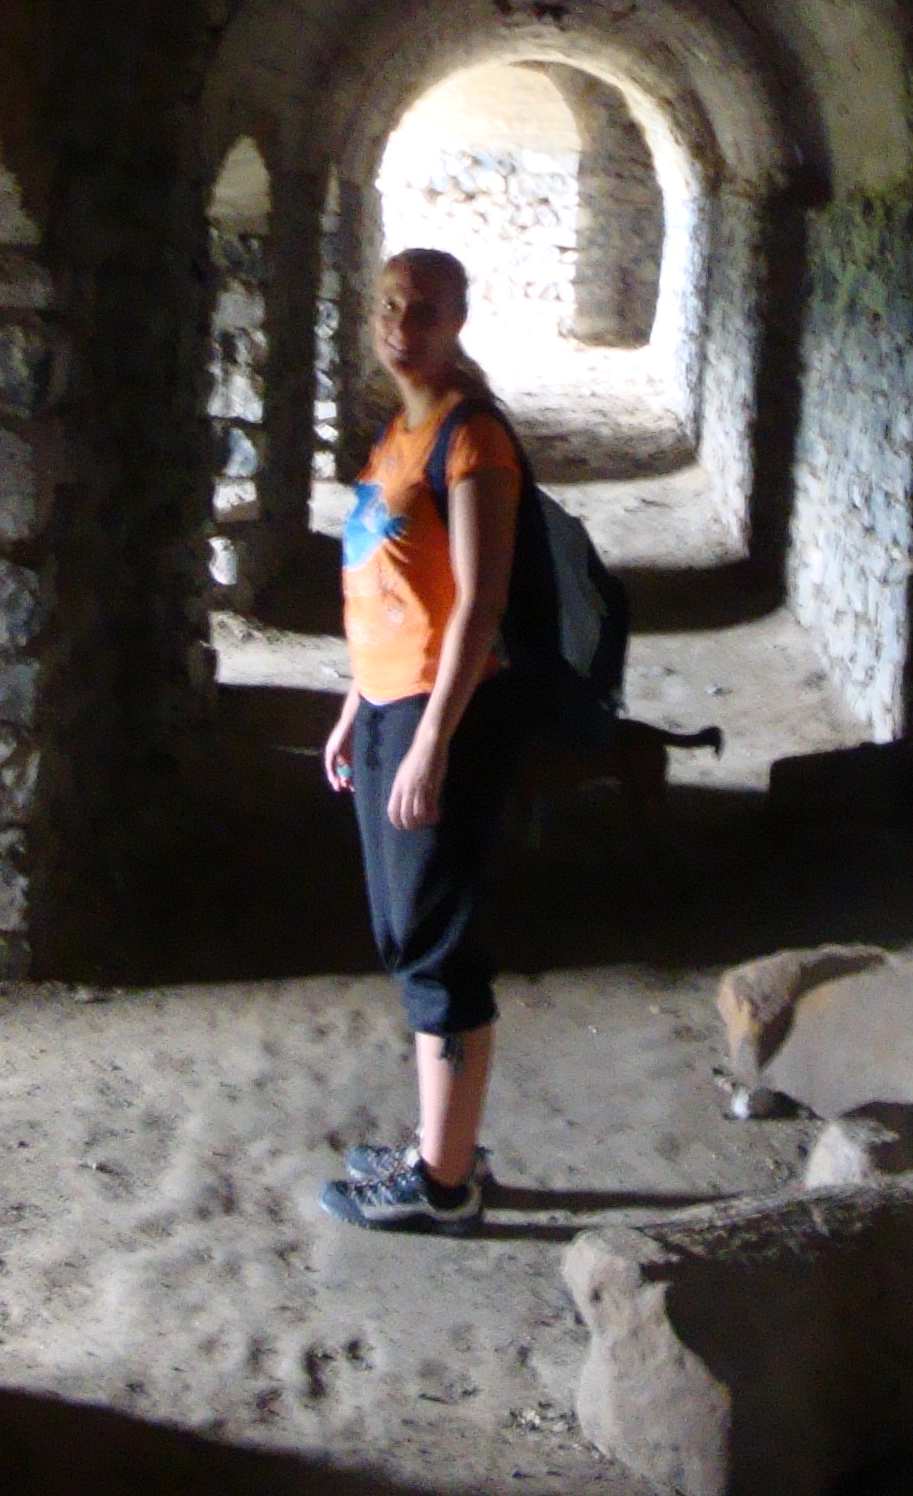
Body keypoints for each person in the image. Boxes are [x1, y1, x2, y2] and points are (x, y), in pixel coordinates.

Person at [317, 246, 526, 1231]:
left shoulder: (473, 438)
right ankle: (441, 1142)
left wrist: (432, 739)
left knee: (437, 941)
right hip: (388, 705)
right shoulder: (400, 433)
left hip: (444, 711)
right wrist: (357, 704)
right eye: (392, 306)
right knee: (406, 930)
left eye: (427, 312)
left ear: (458, 323)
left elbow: (480, 602)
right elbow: (389, 583)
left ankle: (444, 1186)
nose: (403, 327)